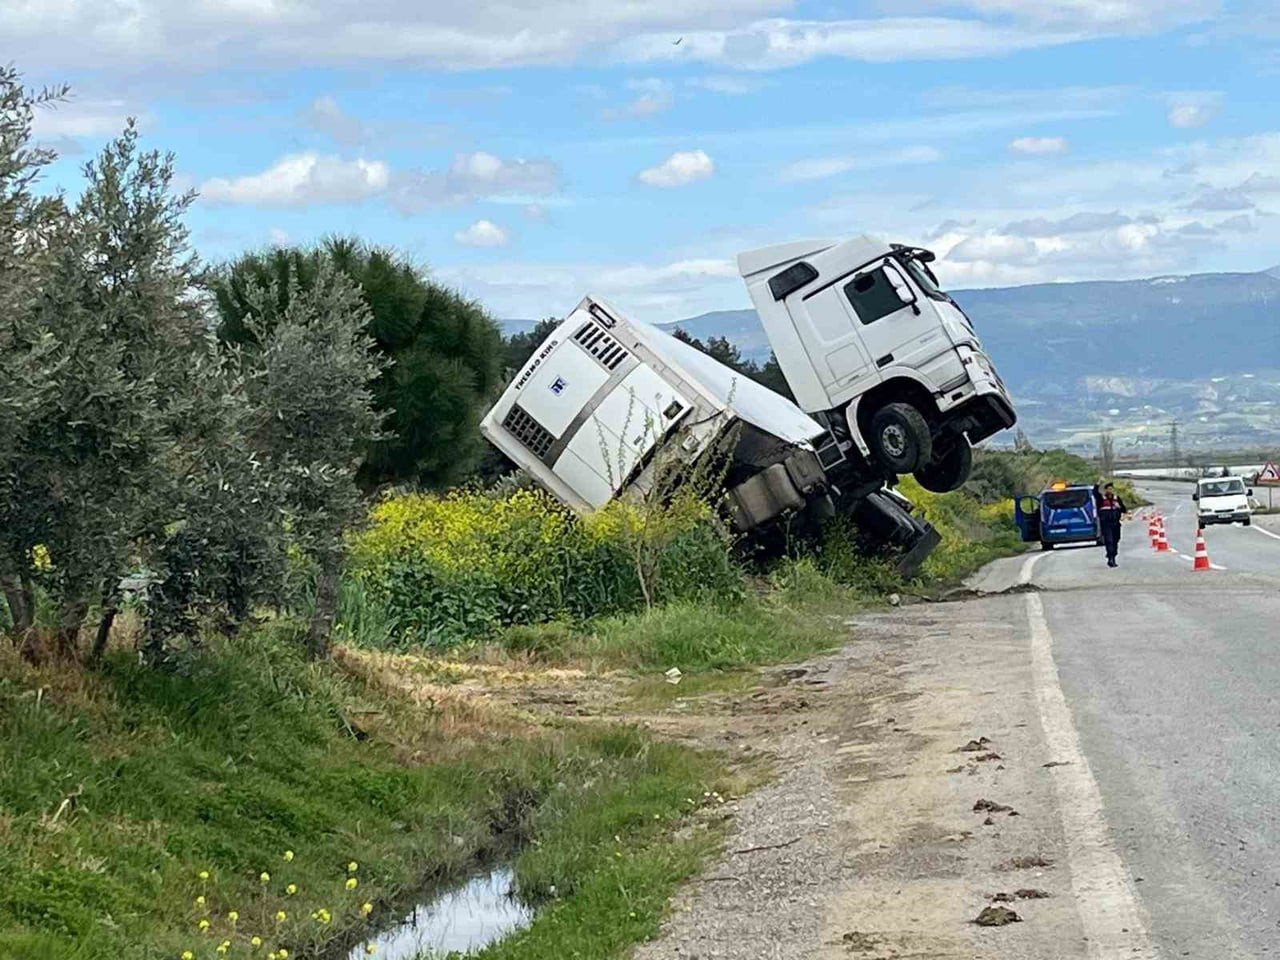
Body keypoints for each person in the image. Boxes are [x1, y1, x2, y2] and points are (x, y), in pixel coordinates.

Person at [1093, 481, 1127, 568]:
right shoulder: (1101, 499)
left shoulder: (1117, 498)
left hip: (1116, 523)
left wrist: (1119, 507)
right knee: (1109, 541)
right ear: (1105, 490)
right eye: (1108, 489)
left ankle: (1113, 555)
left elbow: (1124, 509)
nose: (1110, 490)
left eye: (1111, 489)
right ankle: (1111, 559)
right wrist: (1097, 485)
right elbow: (1095, 493)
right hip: (1106, 523)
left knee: (1116, 540)